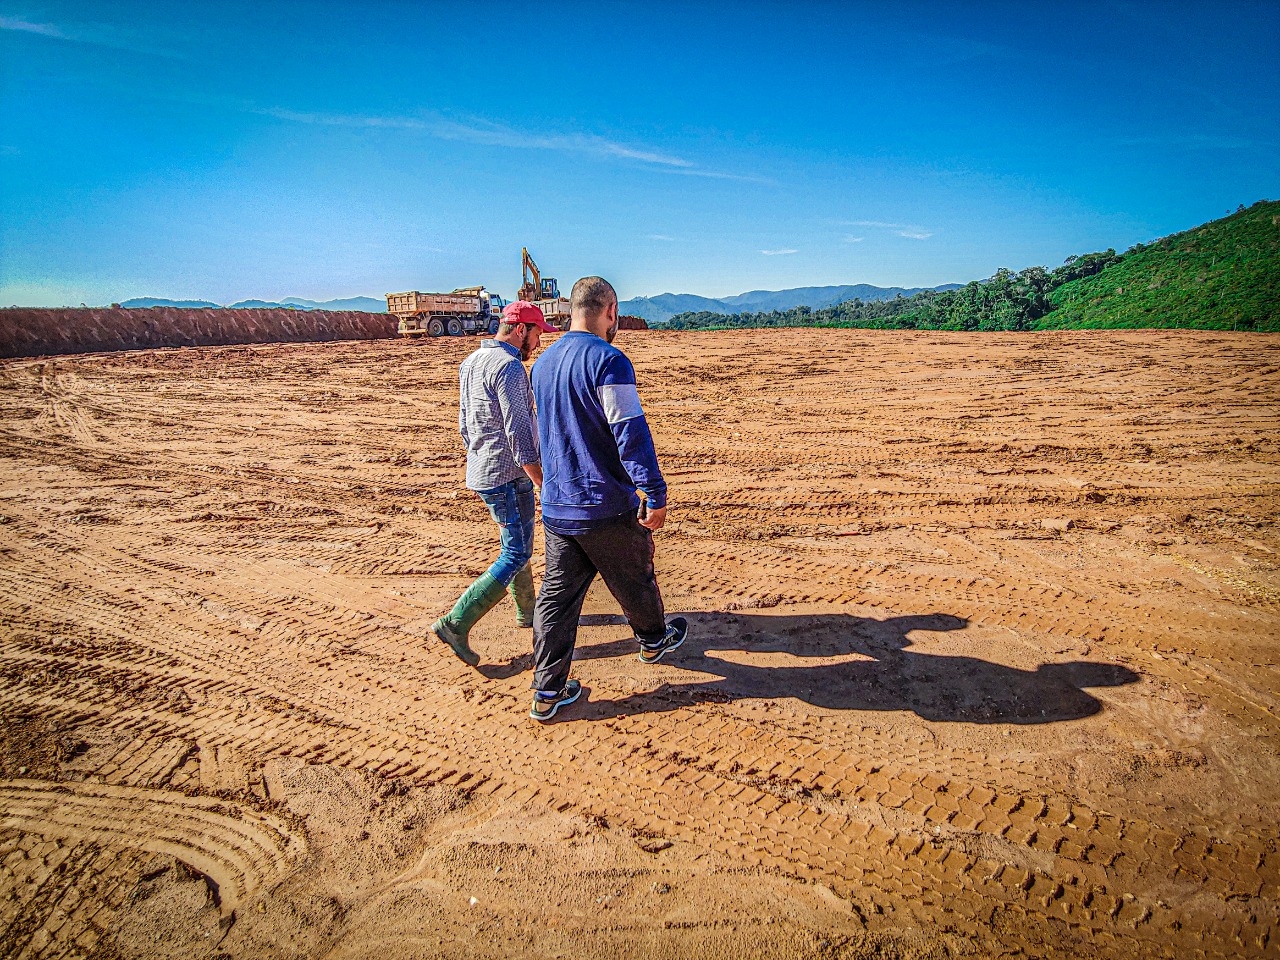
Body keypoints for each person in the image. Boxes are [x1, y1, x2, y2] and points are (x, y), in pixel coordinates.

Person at [526, 276, 688, 720]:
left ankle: (547, 690)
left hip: (559, 506)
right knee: (635, 578)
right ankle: (654, 641)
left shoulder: (541, 363)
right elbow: (629, 431)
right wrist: (653, 490)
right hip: (604, 504)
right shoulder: (610, 361)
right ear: (610, 310)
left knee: (556, 601)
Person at [431, 300, 558, 666]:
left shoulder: (470, 362)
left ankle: (528, 612)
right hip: (507, 476)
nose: (538, 343)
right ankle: (456, 622)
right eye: (537, 335)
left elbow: (464, 424)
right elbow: (520, 434)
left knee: (517, 543)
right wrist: (542, 481)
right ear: (521, 330)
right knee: (516, 551)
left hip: (484, 471)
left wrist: (481, 456)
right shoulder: (510, 367)